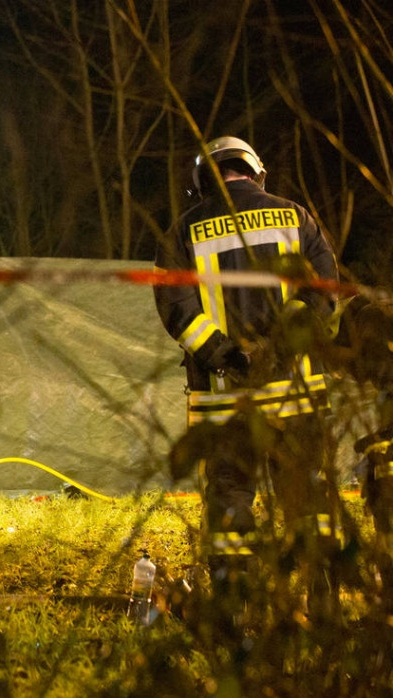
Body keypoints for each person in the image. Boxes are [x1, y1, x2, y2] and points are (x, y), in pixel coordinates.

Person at [153, 136, 341, 615]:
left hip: (224, 400)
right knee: (305, 490)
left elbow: (177, 309)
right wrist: (280, 347)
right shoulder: (296, 217)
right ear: (255, 171)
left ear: (202, 183)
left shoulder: (182, 232)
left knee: (231, 496)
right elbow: (323, 293)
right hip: (297, 396)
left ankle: (234, 607)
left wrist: (226, 355)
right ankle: (323, 600)